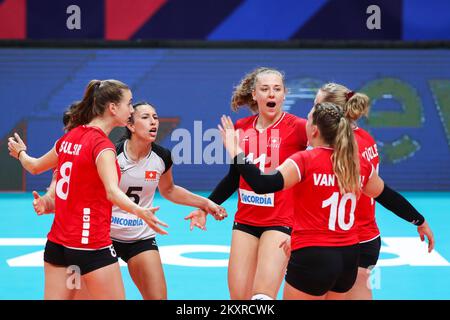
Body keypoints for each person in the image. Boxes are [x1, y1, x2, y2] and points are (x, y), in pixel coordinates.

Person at [218, 101, 434, 300]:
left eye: (309, 118)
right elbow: (388, 196)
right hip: (348, 258)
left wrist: (234, 149)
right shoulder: (356, 164)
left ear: (314, 130)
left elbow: (262, 184)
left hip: (313, 256)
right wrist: (419, 221)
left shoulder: (305, 160)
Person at [33, 101, 226, 299]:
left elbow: (169, 190)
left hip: (139, 238)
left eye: (156, 117)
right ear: (130, 125)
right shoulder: (109, 154)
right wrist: (49, 200)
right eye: (145, 117)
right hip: (103, 237)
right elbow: (73, 187)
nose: (153, 122)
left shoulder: (162, 157)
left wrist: (205, 204)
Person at [8, 79, 169, 300]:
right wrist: (139, 211)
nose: (131, 110)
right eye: (129, 104)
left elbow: (34, 166)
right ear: (113, 108)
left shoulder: (69, 137)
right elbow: (112, 192)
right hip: (91, 246)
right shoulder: (103, 148)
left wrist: (20, 153)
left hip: (57, 245)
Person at [187, 67, 308, 300]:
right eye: (265, 89)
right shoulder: (241, 128)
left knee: (262, 297)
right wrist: (206, 206)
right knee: (239, 299)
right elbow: (235, 177)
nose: (271, 94)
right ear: (254, 95)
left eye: (277, 89)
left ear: (284, 95)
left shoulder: (299, 128)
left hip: (280, 221)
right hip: (246, 221)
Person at [314, 83, 432, 300]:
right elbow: (382, 192)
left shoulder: (340, 148)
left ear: (331, 111)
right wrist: (418, 220)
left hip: (341, 238)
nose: (311, 111)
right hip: (367, 237)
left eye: (316, 105)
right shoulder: (365, 138)